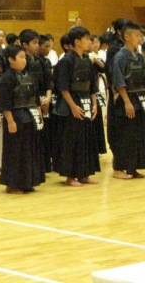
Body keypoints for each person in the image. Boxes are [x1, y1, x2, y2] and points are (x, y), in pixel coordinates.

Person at [0, 44, 45, 194]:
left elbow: (36, 99)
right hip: (16, 118)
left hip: (31, 117)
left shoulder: (29, 75)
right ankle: (12, 184)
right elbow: (5, 103)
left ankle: (28, 182)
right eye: (21, 57)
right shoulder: (6, 78)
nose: (24, 60)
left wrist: (39, 116)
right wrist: (10, 121)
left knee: (29, 150)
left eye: (25, 57)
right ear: (11, 59)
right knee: (15, 152)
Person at [55, 26, 100, 186]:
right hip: (71, 102)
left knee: (86, 138)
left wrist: (94, 103)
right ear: (77, 41)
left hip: (86, 100)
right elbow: (63, 87)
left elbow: (93, 85)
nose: (89, 41)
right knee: (71, 140)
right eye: (86, 39)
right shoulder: (66, 61)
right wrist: (73, 106)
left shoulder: (87, 60)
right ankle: (70, 177)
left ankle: (84, 174)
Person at [110, 21, 145, 179]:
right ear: (127, 37)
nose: (140, 38)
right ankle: (118, 169)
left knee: (138, 134)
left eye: (141, 35)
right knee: (125, 135)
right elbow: (119, 81)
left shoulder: (140, 57)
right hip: (127, 99)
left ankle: (133, 167)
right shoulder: (120, 56)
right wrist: (127, 102)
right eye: (137, 35)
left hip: (140, 99)